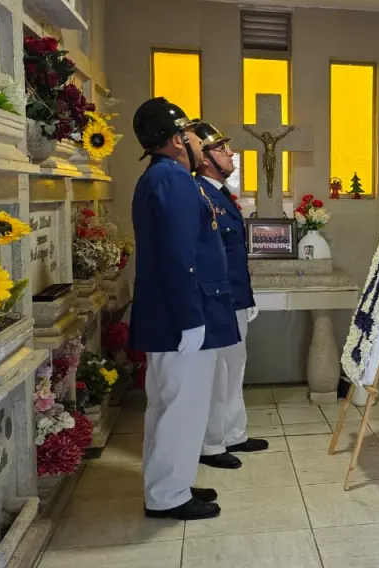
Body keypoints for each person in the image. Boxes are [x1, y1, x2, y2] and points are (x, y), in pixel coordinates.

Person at [129, 98, 241, 521]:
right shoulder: (173, 180)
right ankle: (168, 495)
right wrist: (191, 318)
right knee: (181, 407)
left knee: (166, 406)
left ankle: (168, 483)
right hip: (183, 318)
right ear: (178, 140)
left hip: (171, 316)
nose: (197, 140)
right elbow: (181, 257)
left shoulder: (162, 176)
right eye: (192, 134)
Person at [191, 121, 268, 468]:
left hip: (235, 296)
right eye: (221, 148)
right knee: (217, 373)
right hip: (217, 300)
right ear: (204, 159)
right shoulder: (199, 193)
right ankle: (211, 444)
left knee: (235, 368)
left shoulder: (221, 194)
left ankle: (234, 432)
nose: (231, 152)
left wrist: (246, 297)